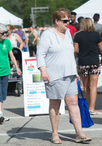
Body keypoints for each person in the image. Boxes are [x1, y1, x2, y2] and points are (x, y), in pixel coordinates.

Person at [37, 8, 91, 144]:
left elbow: (70, 54)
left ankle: (79, 133)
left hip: (70, 74)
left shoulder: (67, 33)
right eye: (65, 21)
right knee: (55, 103)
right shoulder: (47, 34)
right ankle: (55, 134)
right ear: (56, 21)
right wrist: (43, 71)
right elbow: (40, 54)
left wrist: (75, 71)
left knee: (73, 103)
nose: (68, 23)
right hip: (54, 74)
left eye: (69, 20)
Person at [74, 18, 102, 115]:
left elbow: (75, 50)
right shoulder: (96, 35)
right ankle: (92, 108)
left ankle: (86, 107)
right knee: (93, 86)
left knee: (86, 86)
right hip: (94, 62)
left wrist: (79, 56)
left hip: (83, 62)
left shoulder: (77, 35)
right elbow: (101, 50)